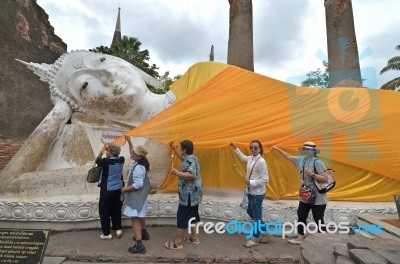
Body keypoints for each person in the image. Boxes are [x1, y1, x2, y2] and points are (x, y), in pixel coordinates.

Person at [272, 142, 329, 245]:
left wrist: (312, 174)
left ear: (314, 151)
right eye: (305, 149)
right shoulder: (300, 160)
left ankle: (324, 240)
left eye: (309, 149)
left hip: (318, 197)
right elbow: (288, 156)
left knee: (318, 218)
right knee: (301, 215)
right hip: (305, 194)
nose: (307, 151)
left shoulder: (317, 162)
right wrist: (277, 149)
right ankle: (300, 237)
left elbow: (325, 178)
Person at [231, 140, 273, 248]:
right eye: (251, 147)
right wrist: (235, 148)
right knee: (251, 212)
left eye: (255, 148)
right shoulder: (251, 158)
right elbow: (242, 157)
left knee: (256, 217)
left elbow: (265, 179)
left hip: (257, 194)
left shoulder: (261, 161)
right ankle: (267, 233)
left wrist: (251, 182)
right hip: (250, 192)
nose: (253, 149)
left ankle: (255, 239)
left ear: (260, 149)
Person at [165, 140, 203, 250]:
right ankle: (194, 238)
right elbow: (182, 158)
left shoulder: (190, 160)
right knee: (193, 215)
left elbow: (192, 175)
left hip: (189, 195)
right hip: (195, 194)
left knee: (182, 216)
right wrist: (173, 148)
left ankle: (178, 242)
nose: (180, 151)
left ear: (185, 150)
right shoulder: (191, 158)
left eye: (181, 148)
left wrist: (176, 173)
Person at [122, 135, 151, 254]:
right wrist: (129, 142)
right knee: (140, 214)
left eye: (134, 153)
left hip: (136, 194)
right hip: (141, 195)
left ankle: (139, 245)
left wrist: (125, 189)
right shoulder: (139, 162)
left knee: (134, 218)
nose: (131, 154)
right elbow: (132, 151)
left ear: (139, 156)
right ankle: (143, 233)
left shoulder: (139, 167)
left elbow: (138, 184)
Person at [95, 143, 125, 240]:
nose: (106, 152)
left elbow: (97, 160)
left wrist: (101, 151)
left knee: (104, 211)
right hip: (118, 189)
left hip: (107, 190)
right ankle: (118, 229)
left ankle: (107, 234)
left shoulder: (105, 161)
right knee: (116, 209)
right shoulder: (121, 160)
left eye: (108, 151)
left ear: (111, 153)